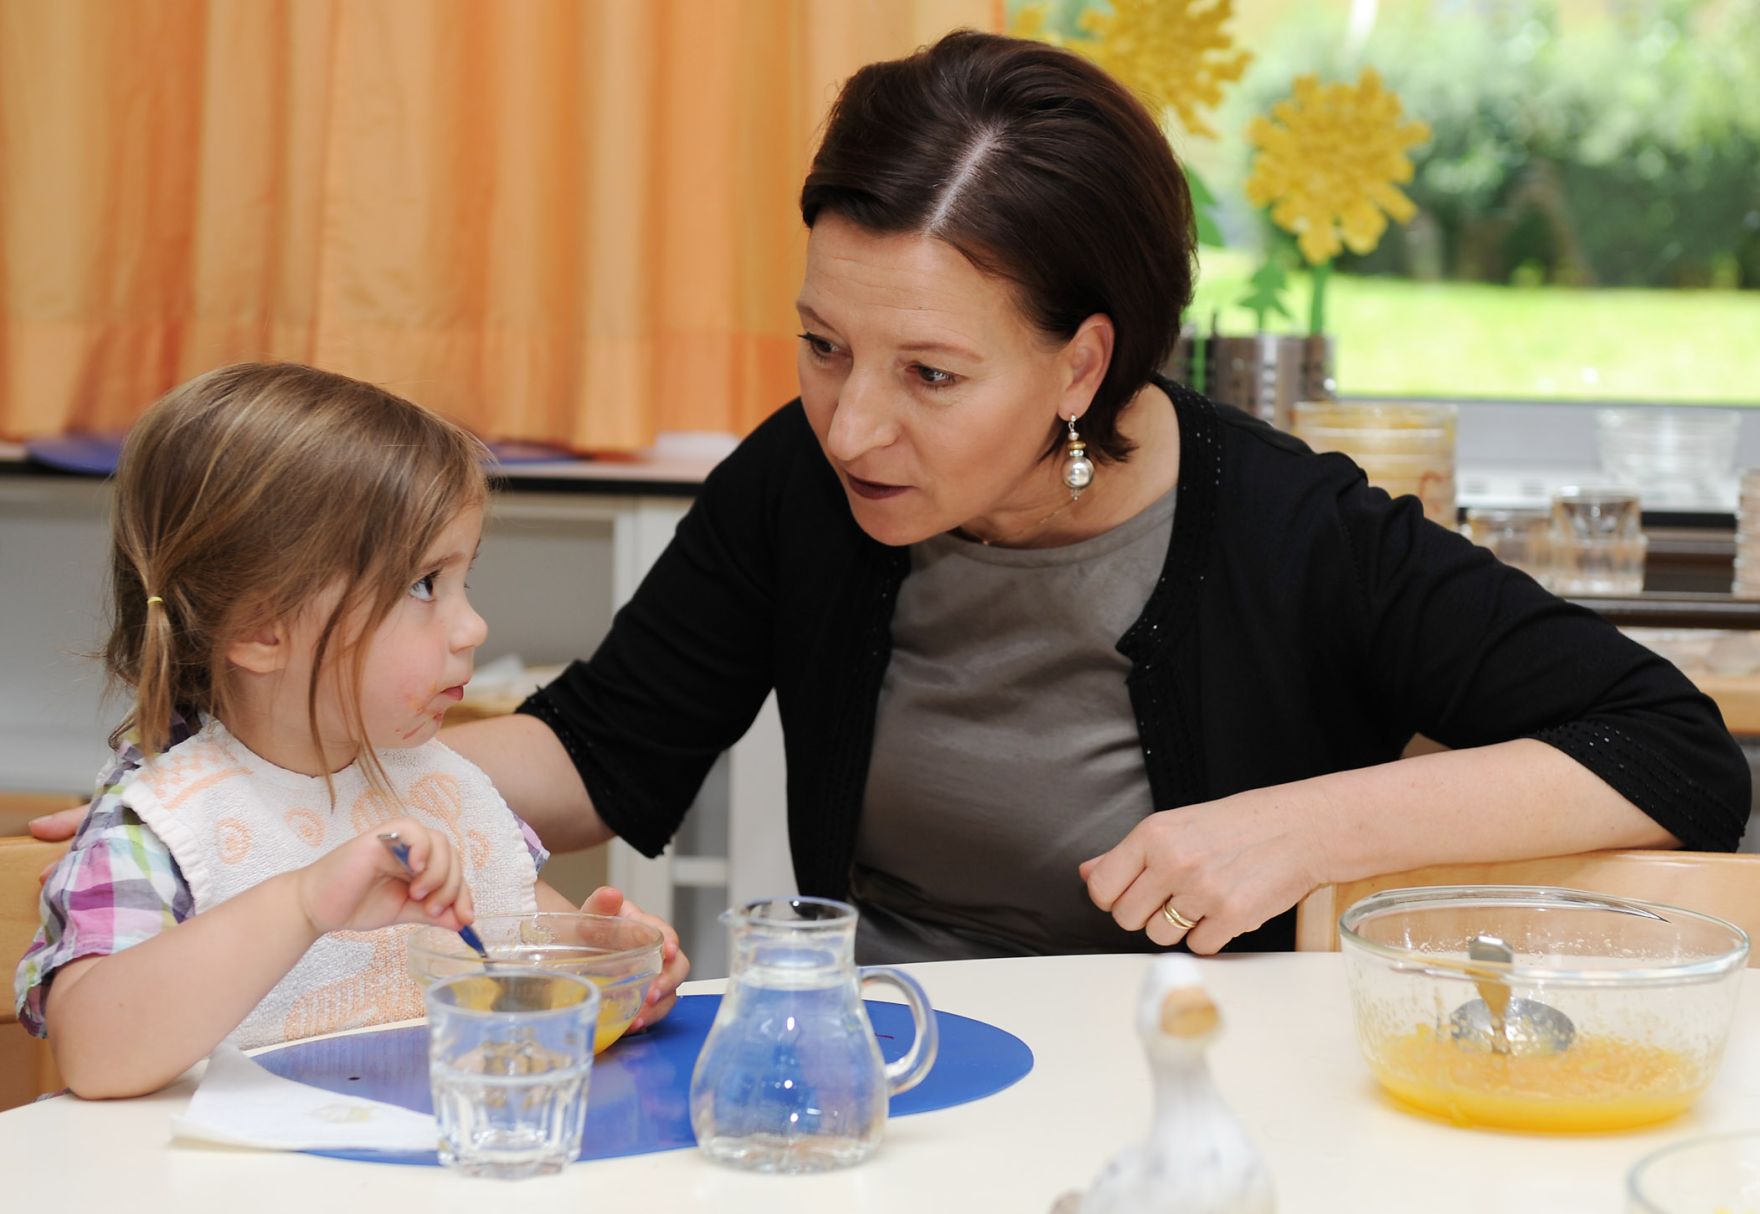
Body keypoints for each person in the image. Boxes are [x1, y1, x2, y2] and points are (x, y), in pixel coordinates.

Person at [33, 34, 1751, 966]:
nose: (853, 421)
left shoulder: (1288, 525)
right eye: (819, 343)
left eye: (931, 375)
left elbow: (1676, 751)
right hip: (897, 1069)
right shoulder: (803, 481)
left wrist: (1298, 826)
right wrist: (241, 785)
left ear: (1081, 366)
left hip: (1190, 1092)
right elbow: (603, 750)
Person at [14, 363, 686, 1099]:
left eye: (466, 580)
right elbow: (95, 1054)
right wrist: (303, 903)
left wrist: (604, 965)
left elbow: (524, 949)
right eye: (423, 584)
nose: (474, 626)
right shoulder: (161, 824)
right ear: (262, 629)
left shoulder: (441, 786)